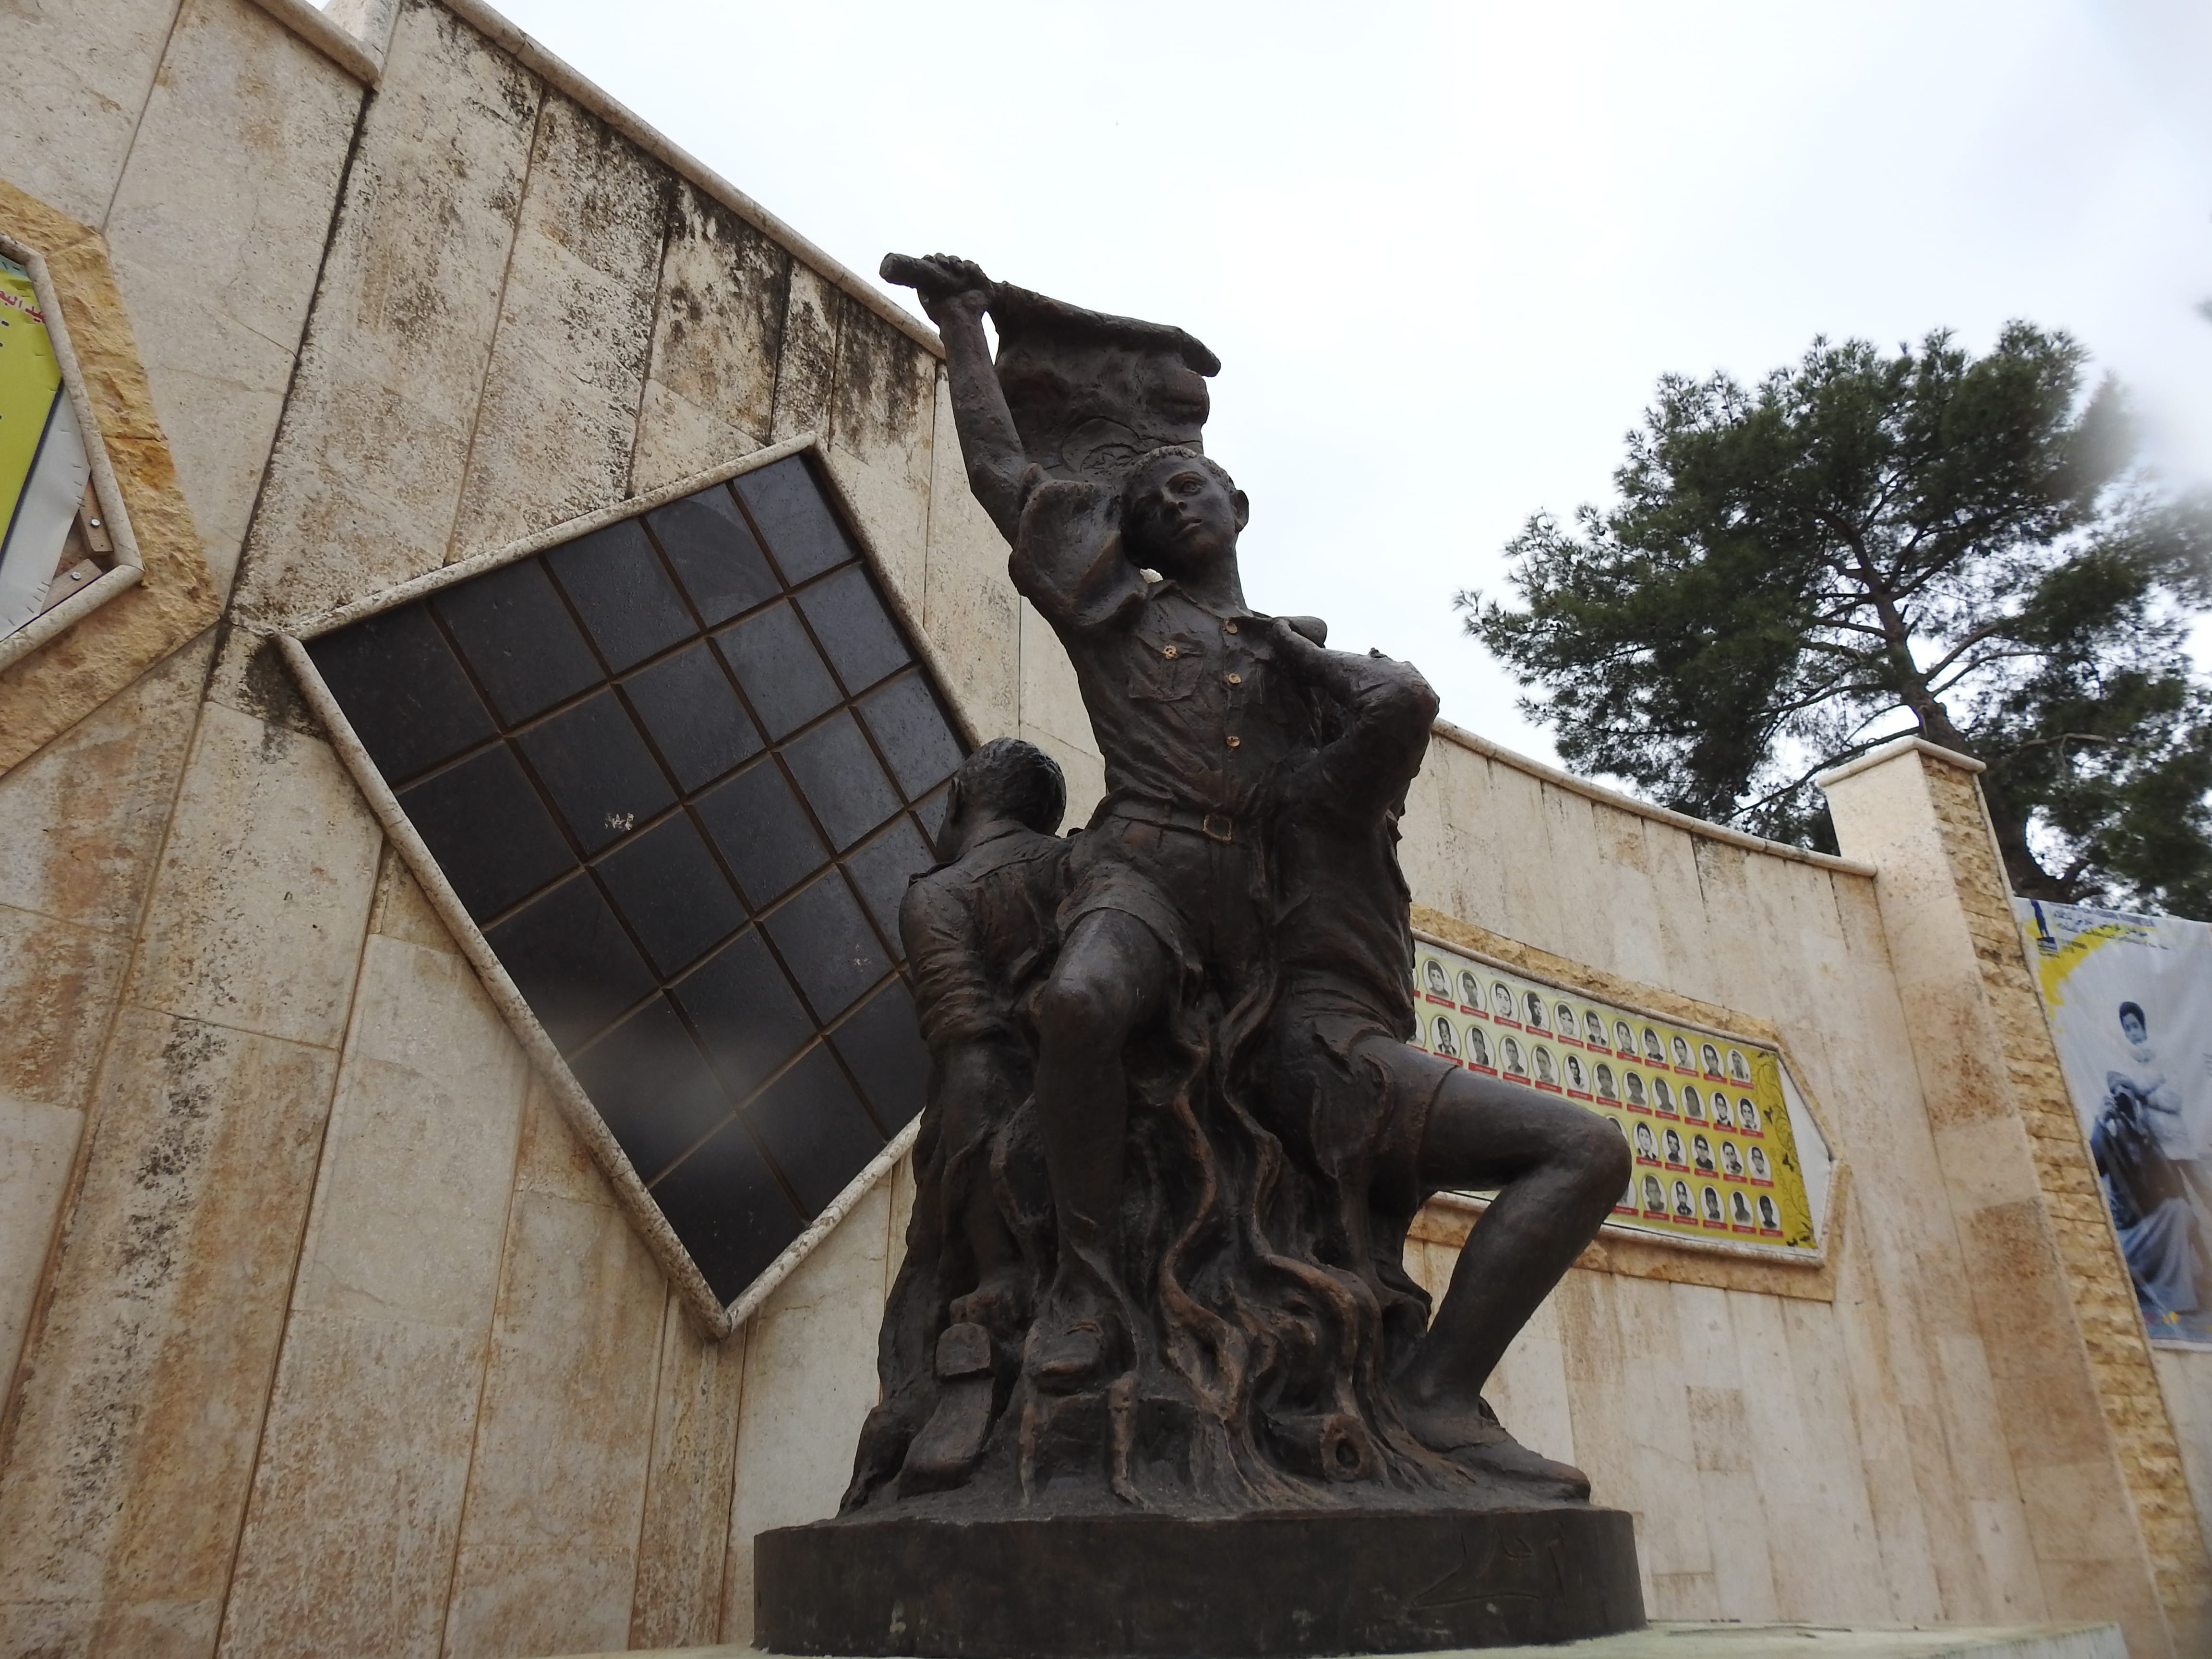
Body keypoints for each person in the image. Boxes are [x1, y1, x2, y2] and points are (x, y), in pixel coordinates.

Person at [910, 256, 1324, 1386]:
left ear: (1239, 507)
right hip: (1143, 871)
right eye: (1150, 504)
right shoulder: (1117, 618)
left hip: (1258, 907)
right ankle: (1086, 1291)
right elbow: (1003, 474)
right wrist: (963, 330)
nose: (1174, 504)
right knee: (1081, 1004)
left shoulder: (1302, 656)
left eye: (1193, 486)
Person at [1263, 622, 1625, 1495]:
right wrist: (1302, 653)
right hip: (1325, 1058)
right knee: (1583, 1149)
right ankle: (1435, 1396)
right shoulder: (1318, 796)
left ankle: (1425, 1397)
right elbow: (1404, 701)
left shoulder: (1350, 822)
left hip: (1350, 1053)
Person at [848, 739, 1071, 1499]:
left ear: (957, 804)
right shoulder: (1079, 865)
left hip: (1002, 1153)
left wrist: (994, 1256)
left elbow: (974, 1060)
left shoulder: (939, 897)